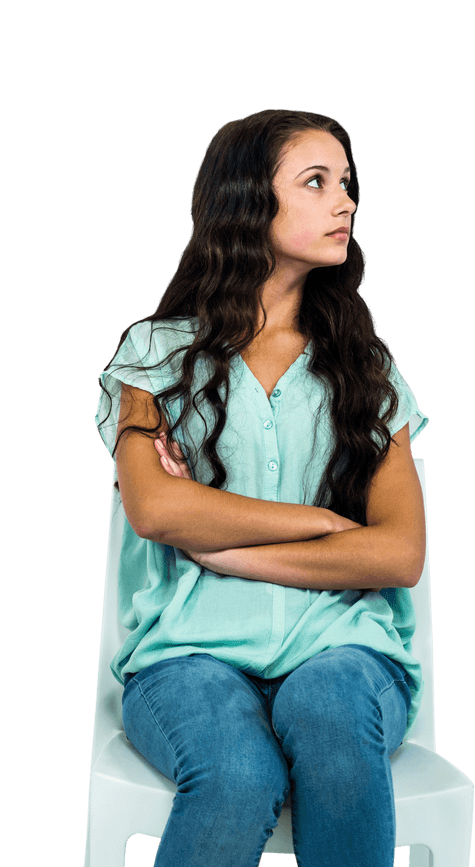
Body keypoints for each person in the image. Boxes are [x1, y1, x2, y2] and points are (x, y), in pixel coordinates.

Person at [94, 109, 426, 866]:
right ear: (248, 201)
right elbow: (157, 507)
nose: (345, 201)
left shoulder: (365, 370)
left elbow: (399, 554)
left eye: (347, 183)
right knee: (238, 772)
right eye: (316, 182)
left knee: (330, 708)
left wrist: (228, 552)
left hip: (346, 650)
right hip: (186, 656)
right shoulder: (154, 355)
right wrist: (321, 521)